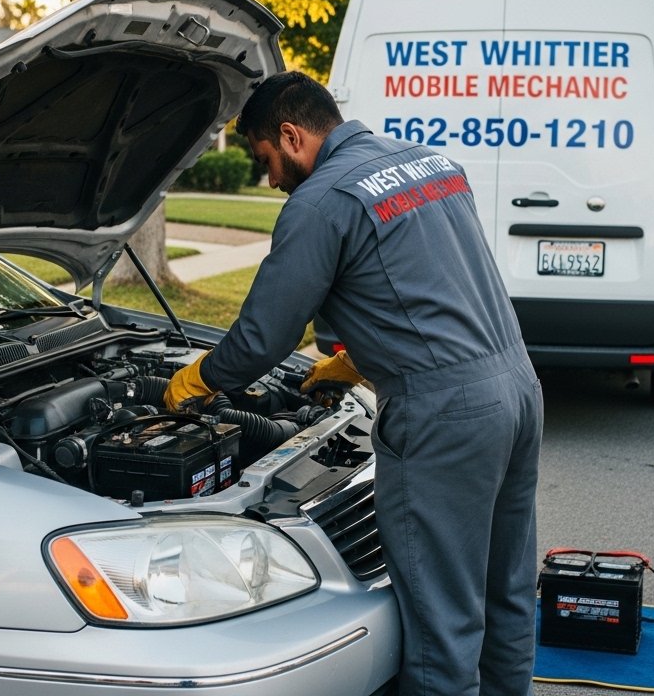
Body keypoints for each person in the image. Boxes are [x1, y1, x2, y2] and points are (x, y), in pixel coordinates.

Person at [164, 71, 543, 696]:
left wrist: (197, 378)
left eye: (266, 160)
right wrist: (359, 363)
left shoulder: (321, 202)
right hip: (517, 387)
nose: (270, 180)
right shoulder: (432, 164)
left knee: (441, 624)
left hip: (444, 415)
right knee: (505, 593)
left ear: (291, 135)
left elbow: (264, 338)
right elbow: (431, 286)